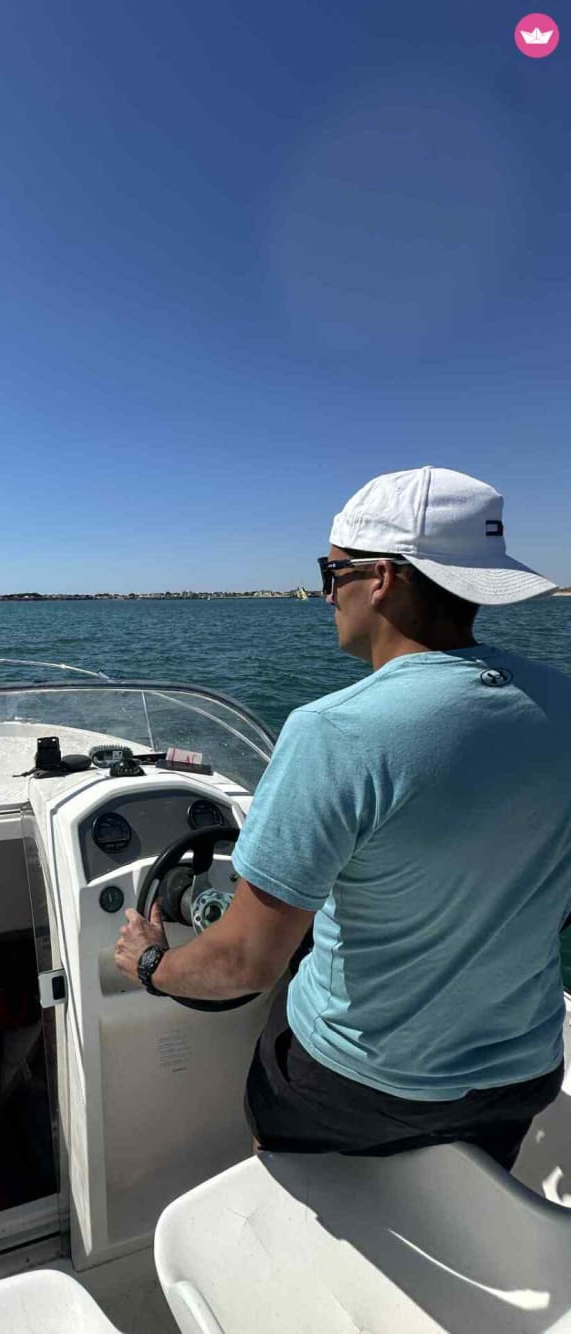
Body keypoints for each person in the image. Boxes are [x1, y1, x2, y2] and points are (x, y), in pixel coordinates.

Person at [115, 466, 571, 1170]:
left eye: (330, 575)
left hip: (359, 1089)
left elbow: (242, 963)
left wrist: (151, 964)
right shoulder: (562, 702)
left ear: (380, 579)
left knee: (282, 1107)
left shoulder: (337, 733)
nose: (326, 596)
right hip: (522, 1077)